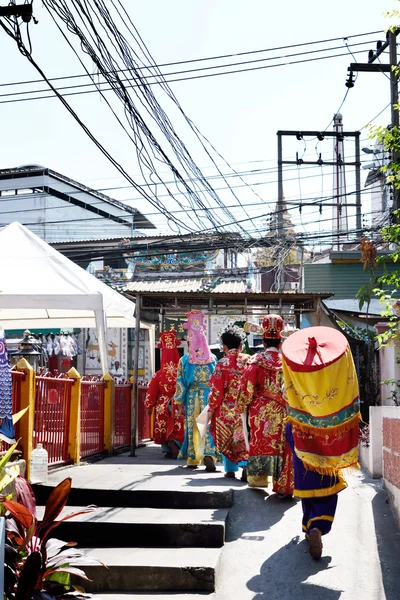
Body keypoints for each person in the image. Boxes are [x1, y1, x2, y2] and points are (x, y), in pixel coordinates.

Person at [281, 326, 360, 559]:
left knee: (306, 476)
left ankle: (309, 524)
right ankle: (318, 525)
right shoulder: (333, 370)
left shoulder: (290, 370)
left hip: (299, 427)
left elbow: (283, 395)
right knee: (327, 476)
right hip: (331, 429)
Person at [238, 314, 294, 495]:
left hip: (260, 410)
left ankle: (258, 479)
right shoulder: (288, 362)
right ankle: (282, 482)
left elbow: (247, 387)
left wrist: (242, 406)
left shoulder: (255, 361)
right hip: (283, 410)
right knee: (281, 444)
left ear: (263, 342)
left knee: (259, 441)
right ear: (280, 343)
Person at [174, 309, 218, 471]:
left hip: (192, 394)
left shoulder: (185, 360)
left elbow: (181, 383)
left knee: (192, 424)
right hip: (209, 394)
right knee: (208, 424)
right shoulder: (213, 359)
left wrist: (179, 401)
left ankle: (193, 457)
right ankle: (209, 453)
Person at [208, 324, 249, 480]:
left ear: (224, 346)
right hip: (244, 408)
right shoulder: (249, 361)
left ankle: (230, 469)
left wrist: (212, 406)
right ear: (241, 345)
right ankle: (245, 465)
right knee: (243, 437)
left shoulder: (221, 364)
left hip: (225, 409)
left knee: (226, 438)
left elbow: (216, 390)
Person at [144, 330, 184, 459]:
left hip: (163, 403)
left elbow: (152, 390)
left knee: (164, 425)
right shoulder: (181, 372)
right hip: (178, 402)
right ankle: (177, 446)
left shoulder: (159, 374)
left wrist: (149, 405)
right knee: (178, 426)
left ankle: (167, 448)